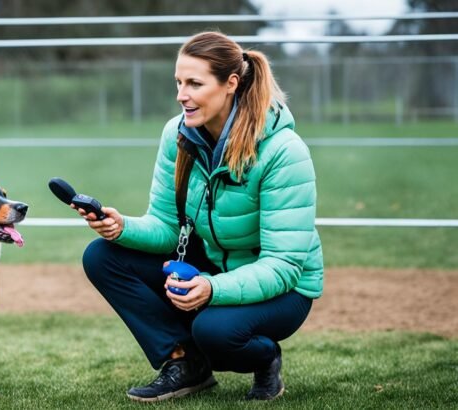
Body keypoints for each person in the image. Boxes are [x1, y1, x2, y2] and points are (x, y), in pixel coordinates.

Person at [77, 31, 323, 402]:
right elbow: (167, 227)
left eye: (194, 83)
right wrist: (120, 227)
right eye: (178, 82)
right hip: (212, 264)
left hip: (285, 287)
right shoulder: (177, 135)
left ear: (231, 84)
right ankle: (185, 363)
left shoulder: (285, 152)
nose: (181, 94)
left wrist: (212, 288)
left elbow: (283, 264)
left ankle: (266, 357)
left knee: (213, 330)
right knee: (102, 256)